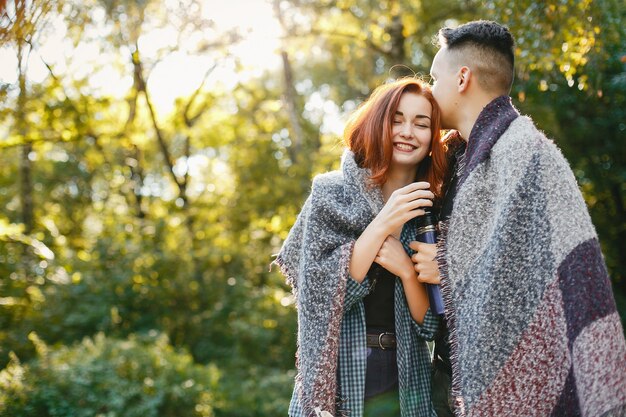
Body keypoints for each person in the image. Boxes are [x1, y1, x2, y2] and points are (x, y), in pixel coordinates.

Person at [411, 20, 626, 417]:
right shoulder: (457, 160)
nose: (429, 88)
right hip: (451, 377)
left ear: (462, 78)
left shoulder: (530, 155)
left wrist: (447, 266)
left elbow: (553, 277)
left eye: (434, 77)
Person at [273, 78, 455, 417]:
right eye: (397, 119)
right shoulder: (331, 193)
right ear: (379, 124)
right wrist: (384, 222)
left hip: (408, 380)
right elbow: (322, 293)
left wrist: (406, 271)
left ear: (432, 137)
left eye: (421, 123)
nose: (407, 131)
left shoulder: (434, 211)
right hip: (341, 375)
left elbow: (431, 325)